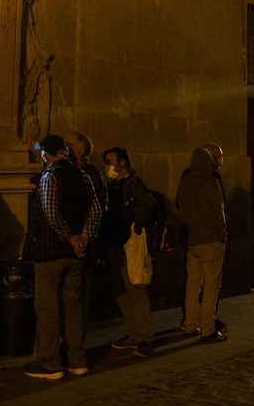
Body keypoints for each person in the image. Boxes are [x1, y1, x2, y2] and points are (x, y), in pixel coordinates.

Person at [22, 133, 101, 380]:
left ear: (46, 154)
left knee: (48, 310)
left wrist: (70, 237)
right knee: (73, 309)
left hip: (51, 253)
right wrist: (83, 238)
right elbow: (96, 209)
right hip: (76, 255)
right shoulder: (82, 176)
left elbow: (50, 212)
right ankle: (78, 360)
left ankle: (50, 363)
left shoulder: (49, 176)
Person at [101, 146, 157, 358]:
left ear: (122, 162)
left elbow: (148, 203)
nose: (108, 165)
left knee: (136, 289)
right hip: (114, 244)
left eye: (110, 160)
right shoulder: (113, 185)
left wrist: (138, 225)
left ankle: (144, 337)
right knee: (122, 292)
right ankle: (132, 332)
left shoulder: (132, 183)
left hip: (129, 244)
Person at [176, 142, 228, 342]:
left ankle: (189, 324)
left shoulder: (186, 180)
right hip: (211, 240)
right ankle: (208, 328)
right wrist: (223, 235)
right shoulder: (211, 181)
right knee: (211, 286)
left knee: (192, 284)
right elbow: (218, 212)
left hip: (192, 241)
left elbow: (180, 205)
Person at [67, 131, 107, 320]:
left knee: (79, 299)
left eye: (70, 144)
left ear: (81, 150)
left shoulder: (91, 176)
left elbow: (97, 210)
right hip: (69, 244)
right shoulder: (67, 172)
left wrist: (85, 237)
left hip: (84, 245)